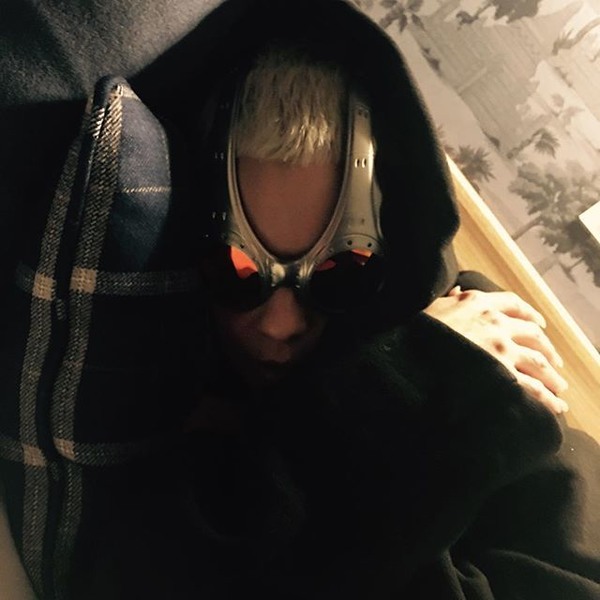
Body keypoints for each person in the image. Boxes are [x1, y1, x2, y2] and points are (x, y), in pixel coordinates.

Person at [0, 1, 597, 598]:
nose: (280, 324)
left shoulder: (487, 351)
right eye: (237, 273)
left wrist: (425, 379)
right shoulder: (160, 405)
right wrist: (398, 396)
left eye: (341, 273)